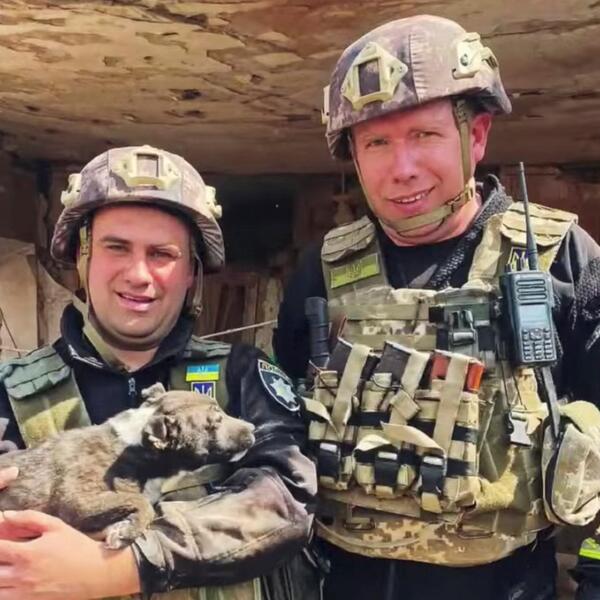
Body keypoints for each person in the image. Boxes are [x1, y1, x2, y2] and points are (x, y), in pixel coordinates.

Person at [273, 14, 600, 600]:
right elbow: (285, 426)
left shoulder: (559, 259)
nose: (402, 169)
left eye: (424, 135)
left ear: (477, 136)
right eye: (376, 143)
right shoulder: (321, 269)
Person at [0, 145, 318, 599]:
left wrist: (122, 567)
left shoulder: (242, 377)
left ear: (191, 272)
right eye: (117, 247)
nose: (138, 274)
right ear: (82, 257)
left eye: (162, 254)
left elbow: (285, 502)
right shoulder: (11, 394)